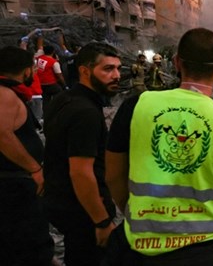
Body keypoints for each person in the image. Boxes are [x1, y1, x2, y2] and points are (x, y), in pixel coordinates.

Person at [105, 28, 213, 265]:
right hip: (205, 252)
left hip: (139, 247)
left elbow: (113, 176)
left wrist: (136, 215)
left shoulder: (135, 107)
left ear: (176, 62)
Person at [43, 42, 122, 266]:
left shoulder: (63, 100)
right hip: (83, 211)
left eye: (118, 68)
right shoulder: (86, 113)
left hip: (64, 204)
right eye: (107, 69)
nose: (116, 75)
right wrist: (102, 222)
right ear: (85, 71)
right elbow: (81, 172)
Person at [0, 46, 55, 266]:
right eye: (32, 67)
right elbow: (2, 135)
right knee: (24, 243)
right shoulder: (4, 94)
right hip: (13, 185)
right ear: (25, 71)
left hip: (14, 184)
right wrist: (34, 168)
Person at [36, 45, 67, 110]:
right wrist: (65, 85)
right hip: (50, 84)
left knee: (45, 99)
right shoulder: (53, 62)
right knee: (60, 92)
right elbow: (59, 75)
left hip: (40, 84)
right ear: (53, 52)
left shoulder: (38, 58)